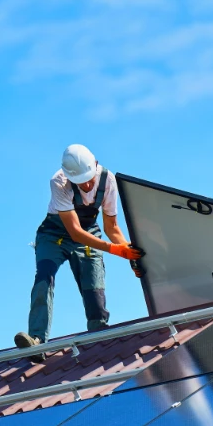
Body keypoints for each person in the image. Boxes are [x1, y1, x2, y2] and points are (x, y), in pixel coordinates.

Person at [15, 145, 143, 352]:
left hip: (89, 233)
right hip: (54, 235)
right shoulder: (59, 181)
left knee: (94, 288)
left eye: (89, 178)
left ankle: (99, 335)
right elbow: (74, 231)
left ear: (96, 165)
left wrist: (131, 255)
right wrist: (115, 250)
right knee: (44, 278)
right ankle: (37, 340)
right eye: (80, 181)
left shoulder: (108, 180)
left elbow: (111, 227)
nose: (86, 184)